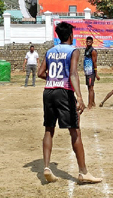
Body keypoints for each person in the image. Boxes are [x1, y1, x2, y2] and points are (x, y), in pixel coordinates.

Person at [37, 21, 102, 184]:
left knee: (48, 130)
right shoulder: (73, 51)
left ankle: (46, 167)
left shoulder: (50, 51)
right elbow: (73, 73)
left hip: (48, 91)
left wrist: (53, 79)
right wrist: (79, 97)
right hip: (64, 92)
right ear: (71, 36)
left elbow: (40, 73)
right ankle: (83, 172)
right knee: (75, 131)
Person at [84, 36, 100, 109]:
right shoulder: (86, 50)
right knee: (89, 87)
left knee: (91, 88)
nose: (88, 43)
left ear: (92, 42)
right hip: (87, 71)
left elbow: (94, 62)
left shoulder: (93, 51)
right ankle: (93, 102)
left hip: (91, 72)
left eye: (89, 42)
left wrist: (96, 74)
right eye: (87, 41)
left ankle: (89, 105)